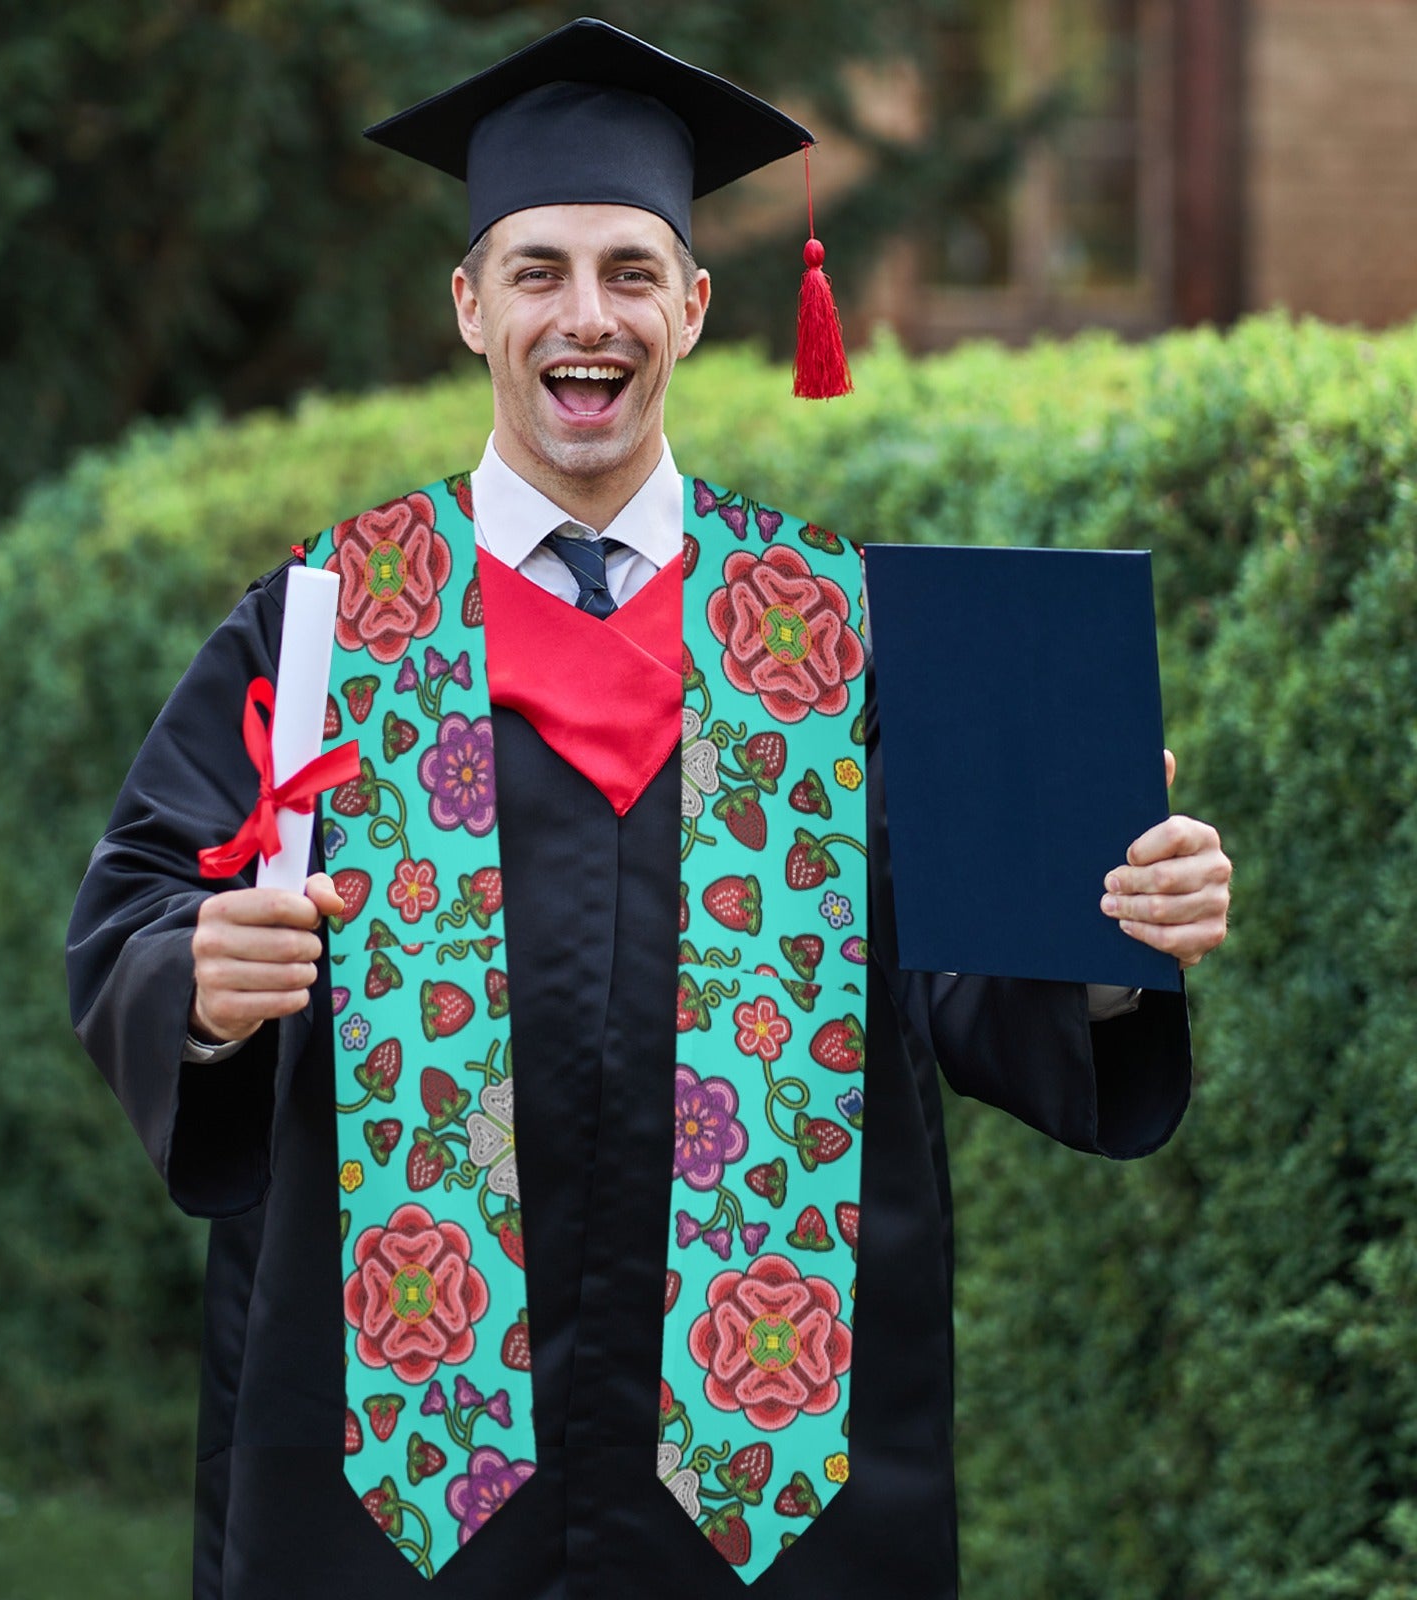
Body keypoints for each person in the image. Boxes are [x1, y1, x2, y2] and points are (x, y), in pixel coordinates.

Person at [66, 19, 1231, 1600]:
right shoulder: (333, 623)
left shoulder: (840, 634)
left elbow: (966, 977)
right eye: (538, 270)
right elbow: (141, 901)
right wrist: (197, 983)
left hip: (771, 1472)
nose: (585, 316)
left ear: (693, 305)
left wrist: (1109, 935)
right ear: (471, 305)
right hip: (402, 1468)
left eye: (629, 270)